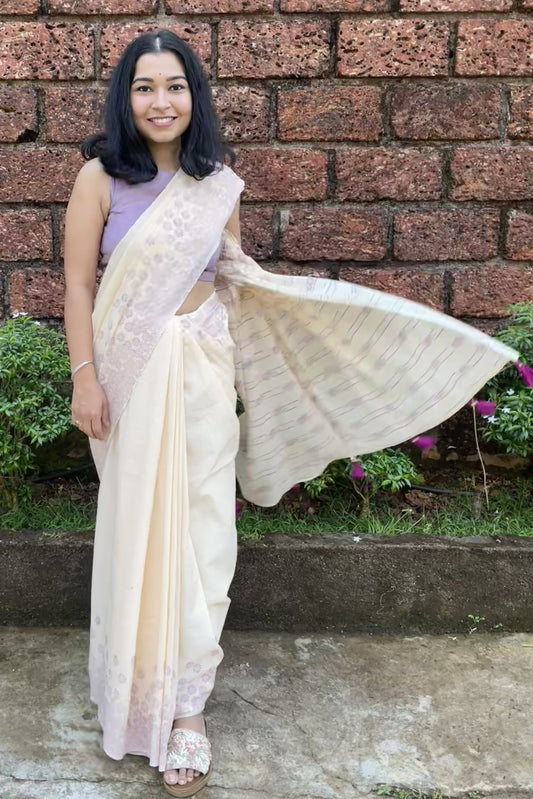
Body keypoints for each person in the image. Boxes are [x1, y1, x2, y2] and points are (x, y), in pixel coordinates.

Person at [63, 28, 518, 798]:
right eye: (144, 87)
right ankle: (135, 689)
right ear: (124, 97)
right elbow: (78, 285)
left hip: (203, 371)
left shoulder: (216, 184)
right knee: (139, 528)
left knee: (204, 530)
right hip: (128, 376)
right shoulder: (99, 178)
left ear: (193, 96)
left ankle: (187, 709)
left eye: (174, 85)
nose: (160, 101)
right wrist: (84, 378)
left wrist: (325, 313)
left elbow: (234, 276)